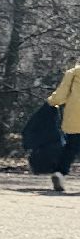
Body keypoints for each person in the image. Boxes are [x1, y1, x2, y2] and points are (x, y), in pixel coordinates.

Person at [45, 62, 80, 192]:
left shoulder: (73, 73)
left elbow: (61, 95)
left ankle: (59, 173)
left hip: (75, 116)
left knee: (71, 148)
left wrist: (51, 102)